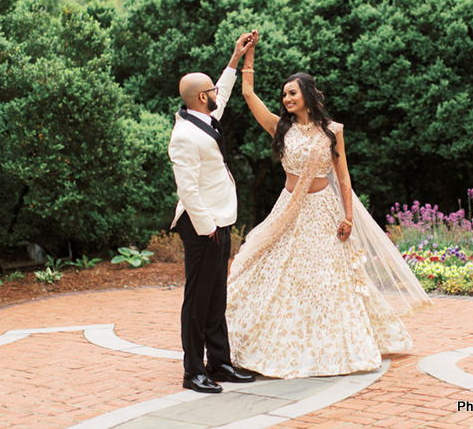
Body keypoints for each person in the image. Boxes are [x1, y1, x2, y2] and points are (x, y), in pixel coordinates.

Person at [225, 31, 432, 379]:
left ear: (307, 95)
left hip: (324, 212)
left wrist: (349, 217)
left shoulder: (333, 131)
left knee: (326, 280)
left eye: (292, 93)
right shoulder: (280, 128)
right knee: (280, 276)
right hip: (289, 210)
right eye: (284, 95)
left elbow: (344, 178)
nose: (286, 98)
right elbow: (247, 93)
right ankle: (270, 343)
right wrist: (247, 56)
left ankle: (331, 346)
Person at [168, 32, 257, 393]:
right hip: (203, 227)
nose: (217, 93)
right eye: (212, 91)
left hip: (220, 221)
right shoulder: (184, 136)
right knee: (197, 301)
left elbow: (224, 88)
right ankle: (193, 371)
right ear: (202, 97)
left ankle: (219, 362)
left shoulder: (205, 116)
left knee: (216, 297)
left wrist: (235, 58)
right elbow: (187, 190)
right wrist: (208, 228)